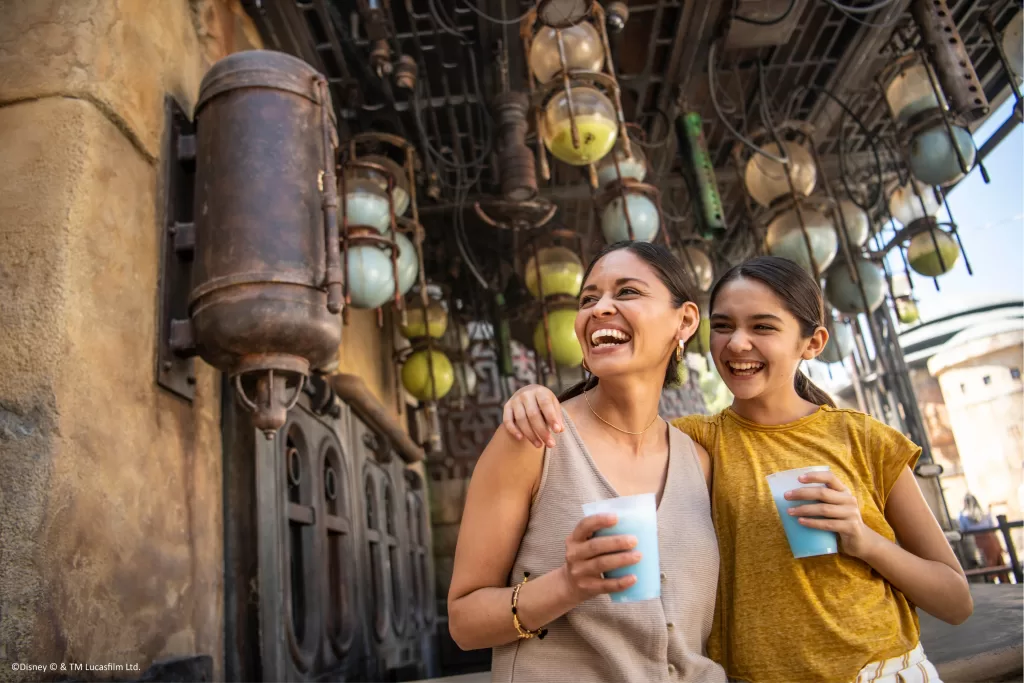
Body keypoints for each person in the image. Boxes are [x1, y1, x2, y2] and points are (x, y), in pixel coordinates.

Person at [501, 254, 973, 683]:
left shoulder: (863, 438)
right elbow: (618, 427)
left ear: (813, 342)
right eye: (723, 326)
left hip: (880, 671)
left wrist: (864, 539)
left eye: (763, 327)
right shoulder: (696, 443)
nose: (737, 343)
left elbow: (956, 600)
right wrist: (534, 398)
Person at [447, 242, 727, 682]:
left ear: (685, 321)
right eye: (588, 299)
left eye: (628, 292)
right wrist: (567, 586)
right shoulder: (534, 439)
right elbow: (464, 621)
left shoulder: (700, 461)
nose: (599, 309)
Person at [959, 492, 1010, 583]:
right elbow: (993, 529)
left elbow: (964, 531)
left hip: (977, 543)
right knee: (999, 565)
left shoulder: (963, 517)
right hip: (991, 541)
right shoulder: (986, 514)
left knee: (985, 568)